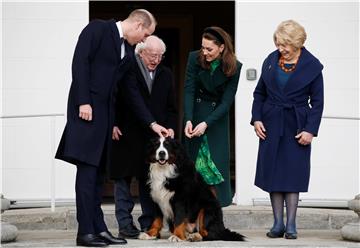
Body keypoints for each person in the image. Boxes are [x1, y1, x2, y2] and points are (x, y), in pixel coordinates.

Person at [55, 9, 157, 247]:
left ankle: (99, 229)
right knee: (88, 174)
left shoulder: (128, 51)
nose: (143, 40)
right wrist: (83, 101)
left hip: (105, 120)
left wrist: (152, 123)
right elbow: (80, 62)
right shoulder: (98, 29)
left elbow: (130, 91)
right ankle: (85, 233)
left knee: (99, 177)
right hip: (87, 113)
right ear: (139, 25)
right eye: (145, 35)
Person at [251, 20, 324, 239]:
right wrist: (256, 119)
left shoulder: (312, 66)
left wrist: (310, 130)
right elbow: (259, 93)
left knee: (293, 174)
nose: (280, 49)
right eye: (278, 43)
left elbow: (318, 102)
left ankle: (291, 225)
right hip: (271, 123)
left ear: (297, 44)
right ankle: (277, 224)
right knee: (273, 172)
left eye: (285, 45)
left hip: (296, 125)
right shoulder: (271, 61)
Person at [110, 35, 177, 238]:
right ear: (141, 52)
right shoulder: (128, 67)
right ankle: (125, 224)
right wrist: (112, 123)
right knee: (122, 180)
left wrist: (172, 128)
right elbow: (113, 95)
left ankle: (149, 224)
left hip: (153, 139)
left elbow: (171, 108)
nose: (156, 59)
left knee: (149, 181)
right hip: (125, 132)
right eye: (152, 55)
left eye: (160, 56)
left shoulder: (166, 74)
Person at [183, 26, 242, 207]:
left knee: (215, 164)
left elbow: (226, 103)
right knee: (193, 166)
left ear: (222, 47)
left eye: (209, 49)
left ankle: (215, 211)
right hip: (196, 115)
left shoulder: (234, 67)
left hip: (216, 121)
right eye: (203, 47)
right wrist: (188, 119)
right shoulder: (194, 58)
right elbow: (189, 90)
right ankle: (192, 210)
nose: (205, 52)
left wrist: (206, 123)